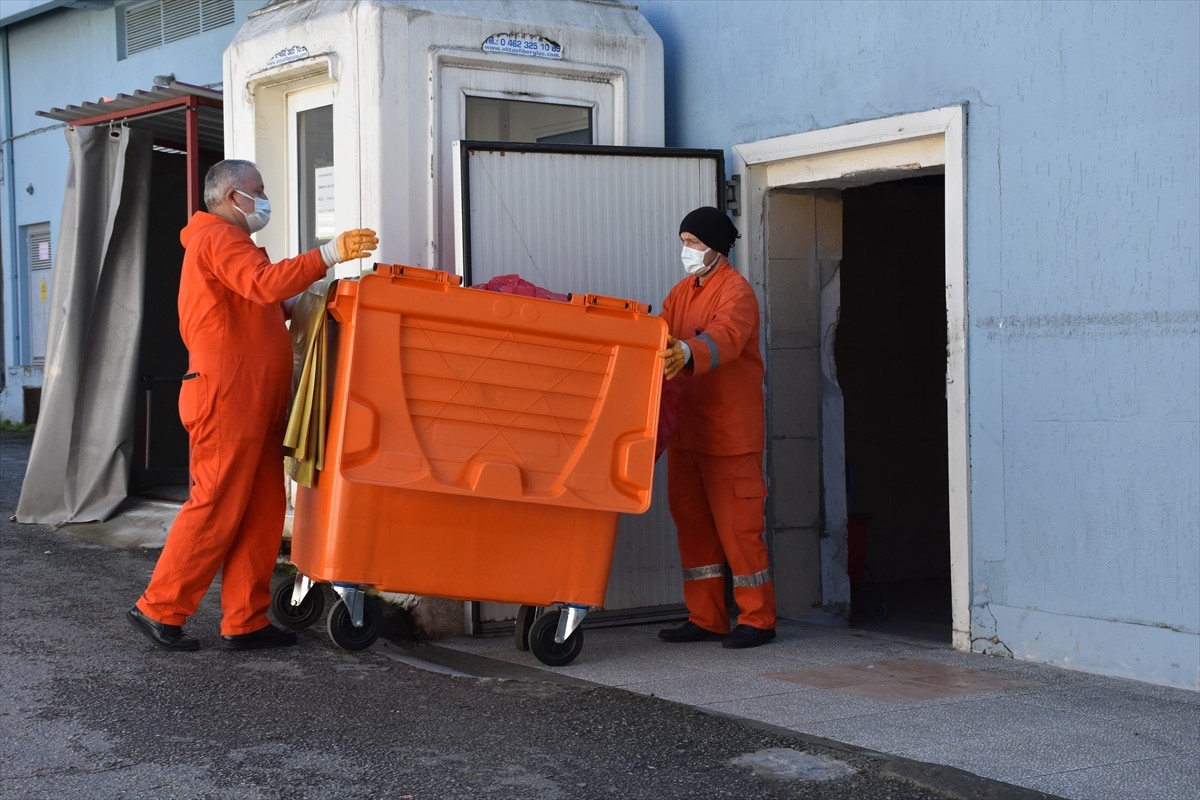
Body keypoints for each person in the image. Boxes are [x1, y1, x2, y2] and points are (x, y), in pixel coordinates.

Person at [127, 159, 378, 651]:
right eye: (257, 190)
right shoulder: (217, 238)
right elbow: (263, 285)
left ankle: (246, 620)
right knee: (217, 503)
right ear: (229, 197)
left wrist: (308, 298)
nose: (264, 198)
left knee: (260, 510)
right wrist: (328, 254)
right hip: (228, 395)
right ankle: (159, 608)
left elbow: (264, 302)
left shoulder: (231, 245)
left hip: (252, 398)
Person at [656, 206, 777, 649]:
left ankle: (758, 618)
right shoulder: (680, 292)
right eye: (684, 242)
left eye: (693, 243)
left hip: (730, 436)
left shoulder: (737, 292)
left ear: (717, 248)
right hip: (688, 434)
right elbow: (659, 334)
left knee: (740, 532)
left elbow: (726, 335)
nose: (686, 251)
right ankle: (706, 617)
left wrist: (687, 352)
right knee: (693, 527)